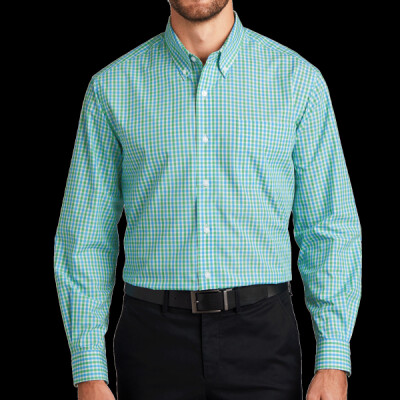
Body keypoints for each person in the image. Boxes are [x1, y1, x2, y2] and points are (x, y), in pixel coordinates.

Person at [54, 1, 362, 399]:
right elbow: (84, 236)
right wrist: (88, 367)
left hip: (264, 338)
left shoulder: (298, 80)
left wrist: (333, 356)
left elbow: (329, 225)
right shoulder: (111, 87)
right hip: (151, 343)